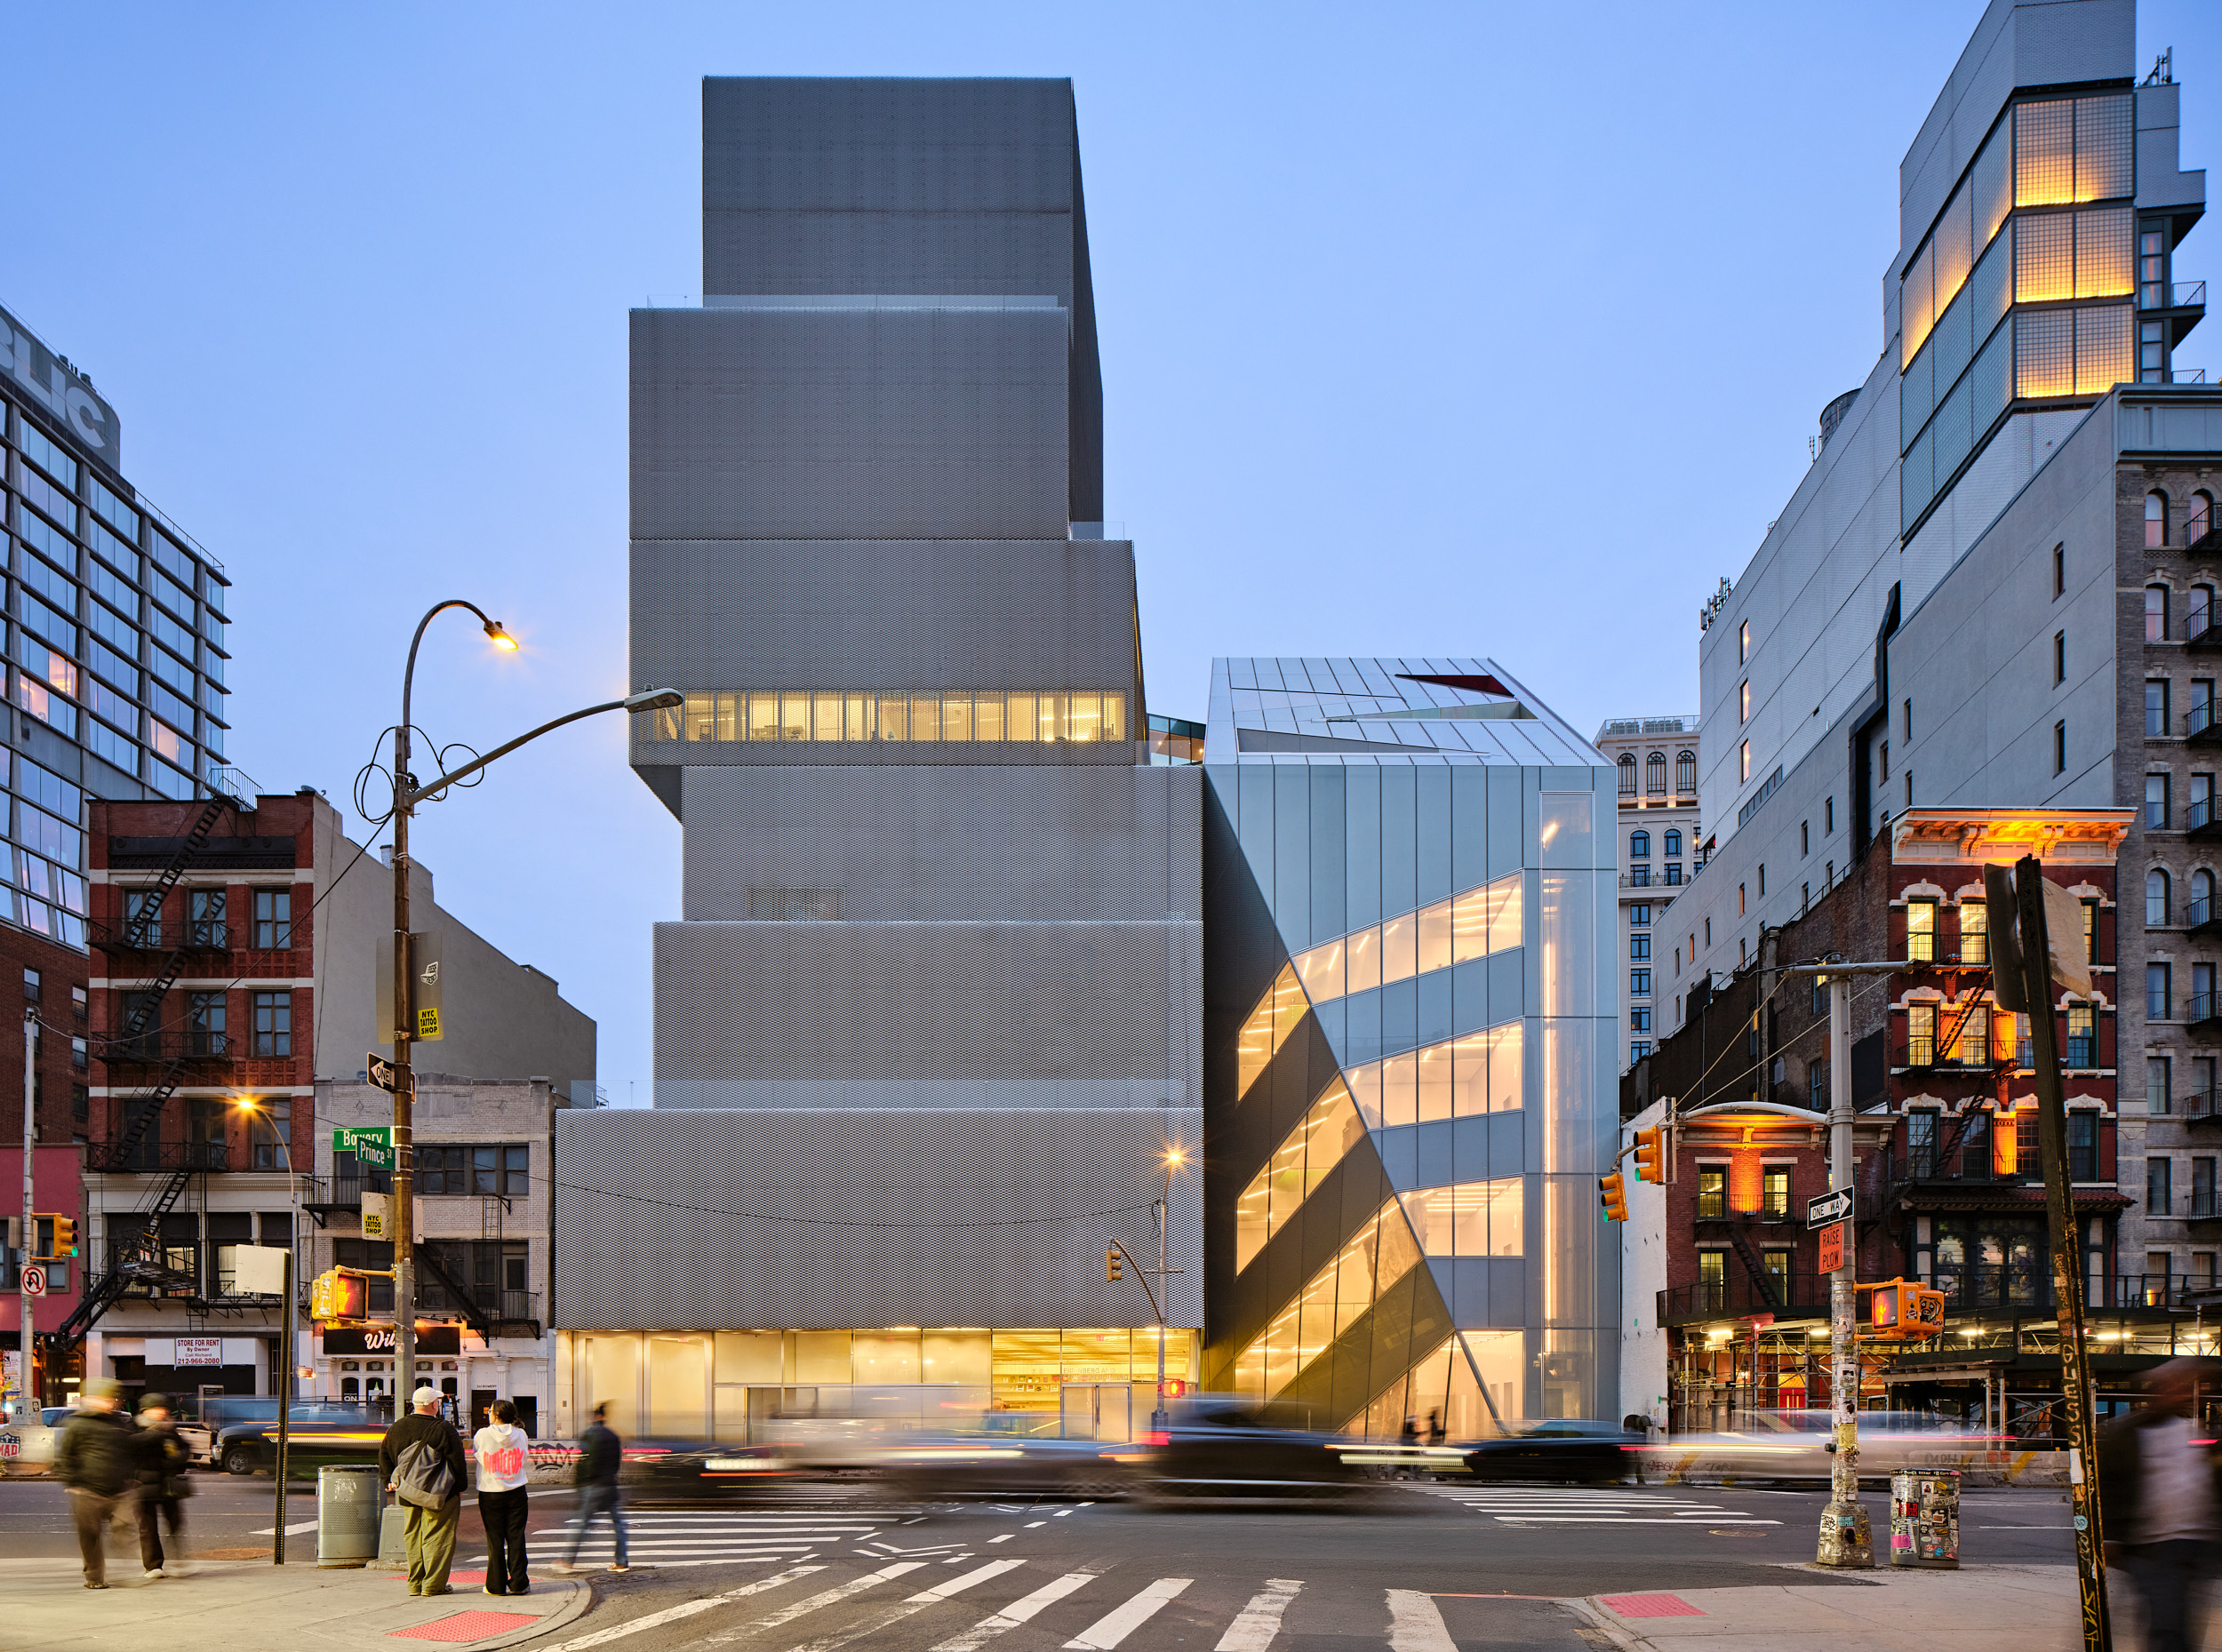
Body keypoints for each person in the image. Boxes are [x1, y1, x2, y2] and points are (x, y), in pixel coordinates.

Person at [2099, 1358, 2222, 1652]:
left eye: (2186, 1387)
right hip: (2152, 1542)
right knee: (2168, 1621)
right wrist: (2110, 1535)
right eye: (2174, 1387)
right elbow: (2109, 1486)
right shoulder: (2126, 1434)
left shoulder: (2194, 1433)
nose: (2181, 1393)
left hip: (2194, 1542)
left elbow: (2207, 1485)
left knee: (2177, 1617)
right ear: (2157, 1390)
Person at [380, 1385, 469, 1597]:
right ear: (432, 1404)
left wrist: (388, 1480)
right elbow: (457, 1462)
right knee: (439, 1536)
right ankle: (433, 1585)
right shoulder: (443, 1428)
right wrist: (459, 1488)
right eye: (437, 1402)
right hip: (438, 1494)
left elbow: (384, 1455)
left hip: (407, 1492)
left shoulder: (397, 1427)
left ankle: (414, 1584)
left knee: (412, 1535)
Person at [55, 1380, 136, 1590]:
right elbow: (65, 1456)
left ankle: (122, 1548)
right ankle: (94, 1576)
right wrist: (72, 1482)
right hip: (87, 1489)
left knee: (124, 1523)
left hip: (119, 1488)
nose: (107, 1403)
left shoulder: (119, 1423)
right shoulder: (76, 1424)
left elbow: (128, 1452)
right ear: (88, 1399)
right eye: (101, 1399)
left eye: (110, 1399)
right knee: (89, 1535)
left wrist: (131, 1476)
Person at [554, 1402, 629, 1575]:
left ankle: (567, 1561)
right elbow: (617, 1462)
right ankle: (621, 1561)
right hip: (610, 1485)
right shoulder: (613, 1435)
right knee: (618, 1524)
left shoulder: (590, 1434)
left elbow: (585, 1462)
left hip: (593, 1486)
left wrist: (579, 1484)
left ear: (595, 1417)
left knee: (581, 1523)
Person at [473, 1399, 532, 1596]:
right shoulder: (521, 1434)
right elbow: (523, 1458)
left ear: (496, 1414)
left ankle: (495, 1585)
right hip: (516, 1490)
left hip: (490, 1491)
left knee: (495, 1539)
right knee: (516, 1537)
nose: (488, 1413)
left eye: (490, 1410)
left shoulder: (482, 1434)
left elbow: (478, 1455)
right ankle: (519, 1583)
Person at [132, 1394, 193, 1579]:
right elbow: (129, 1447)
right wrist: (154, 1434)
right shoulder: (134, 1427)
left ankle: (178, 1559)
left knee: (175, 1522)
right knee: (148, 1528)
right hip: (144, 1486)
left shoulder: (170, 1430)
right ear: (145, 1411)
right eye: (156, 1409)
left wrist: (179, 1457)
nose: (161, 1413)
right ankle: (153, 1566)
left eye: (163, 1409)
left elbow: (183, 1448)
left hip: (168, 1486)